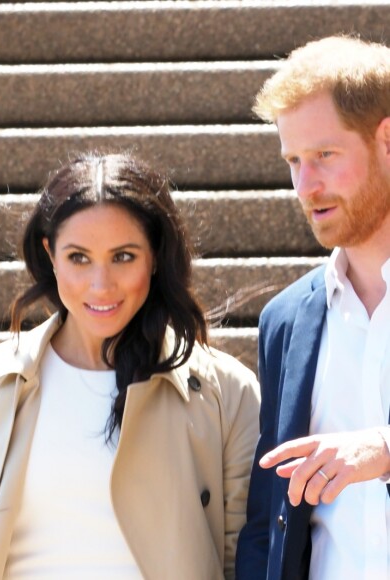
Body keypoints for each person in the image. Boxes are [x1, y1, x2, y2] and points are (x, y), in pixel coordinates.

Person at [0, 152, 260, 579]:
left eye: (123, 257)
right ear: (50, 254)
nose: (101, 285)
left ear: (155, 257)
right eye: (79, 258)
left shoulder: (226, 392)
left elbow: (242, 558)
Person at [236, 35, 390, 580]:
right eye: (294, 161)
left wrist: (385, 450)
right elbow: (267, 521)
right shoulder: (286, 319)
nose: (306, 186)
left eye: (324, 155)